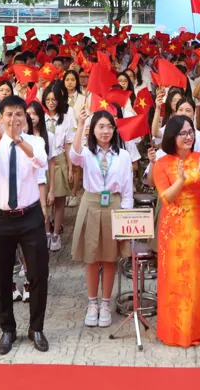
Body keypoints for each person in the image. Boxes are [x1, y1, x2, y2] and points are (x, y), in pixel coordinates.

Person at [0, 95, 50, 354]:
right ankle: (8, 329)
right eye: (8, 114)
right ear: (0, 117)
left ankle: (36, 328)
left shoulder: (35, 141)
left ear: (25, 117)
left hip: (30, 217)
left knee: (38, 274)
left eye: (19, 113)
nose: (14, 119)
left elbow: (40, 162)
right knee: (1, 276)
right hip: (1, 219)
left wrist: (18, 140)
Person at [152, 114, 200, 347]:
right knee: (173, 278)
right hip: (172, 229)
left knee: (197, 277)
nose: (188, 136)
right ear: (172, 136)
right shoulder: (161, 163)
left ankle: (196, 328)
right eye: (183, 133)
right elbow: (166, 198)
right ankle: (173, 331)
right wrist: (180, 180)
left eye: (191, 132)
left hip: (198, 226)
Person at [68, 108, 133, 329]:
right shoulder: (87, 153)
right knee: (91, 257)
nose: (106, 131)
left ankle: (105, 303)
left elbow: (127, 190)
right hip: (91, 204)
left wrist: (125, 217)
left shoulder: (123, 155)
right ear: (93, 130)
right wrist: (80, 125)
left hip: (113, 204)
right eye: (101, 127)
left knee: (109, 258)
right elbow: (73, 156)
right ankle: (92, 303)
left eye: (109, 127)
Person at [43, 82, 75, 252]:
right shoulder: (39, 117)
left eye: (54, 99)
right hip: (42, 162)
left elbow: (68, 144)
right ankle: (46, 232)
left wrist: (70, 168)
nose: (51, 102)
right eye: (48, 99)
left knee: (59, 199)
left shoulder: (66, 119)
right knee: (44, 199)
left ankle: (56, 233)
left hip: (60, 159)